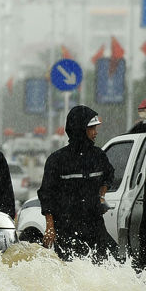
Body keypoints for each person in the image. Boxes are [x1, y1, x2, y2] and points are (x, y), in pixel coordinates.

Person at [38, 105, 116, 262]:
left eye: (96, 127)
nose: (96, 132)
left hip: (95, 226)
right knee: (71, 271)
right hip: (67, 229)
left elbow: (109, 175)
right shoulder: (57, 160)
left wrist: (102, 195)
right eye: (91, 128)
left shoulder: (99, 156)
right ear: (79, 129)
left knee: (115, 263)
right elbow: (46, 195)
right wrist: (50, 227)